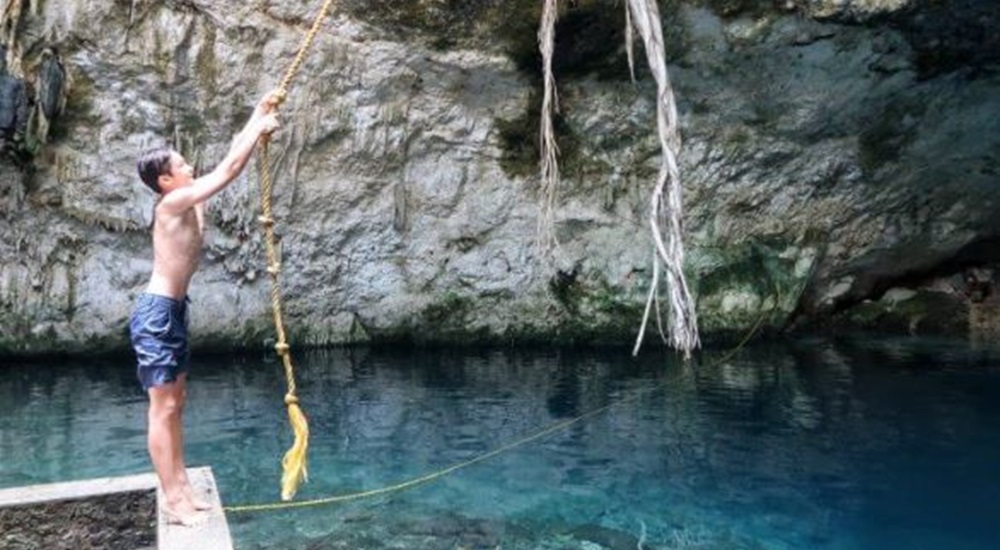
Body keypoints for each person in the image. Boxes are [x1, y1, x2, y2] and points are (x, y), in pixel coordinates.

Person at [130, 90, 280, 526]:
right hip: (156, 314)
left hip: (173, 312)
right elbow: (231, 168)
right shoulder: (173, 203)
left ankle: (181, 488)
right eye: (181, 165)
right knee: (163, 407)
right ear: (165, 181)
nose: (189, 168)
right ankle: (174, 500)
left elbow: (232, 154)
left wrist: (258, 115)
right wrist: (257, 132)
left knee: (177, 401)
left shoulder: (188, 195)